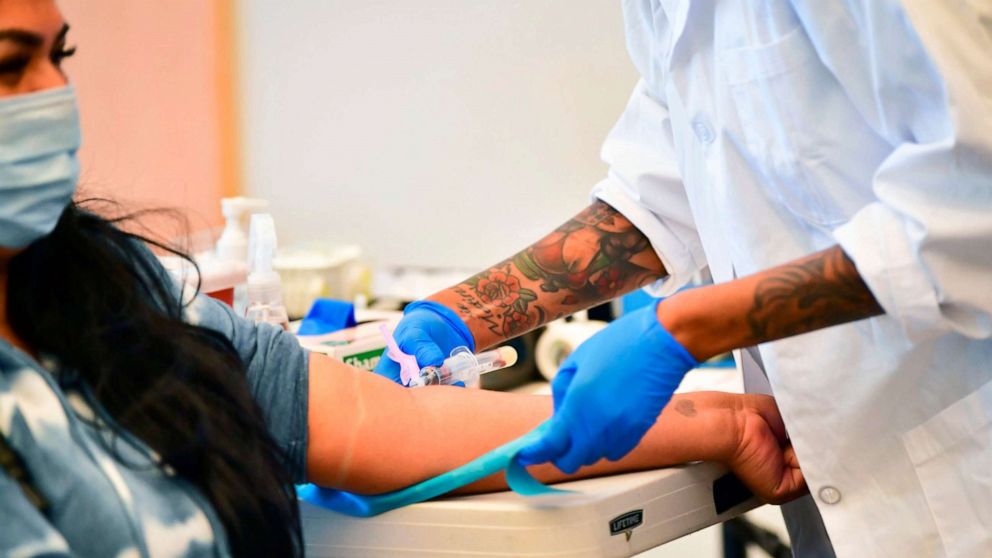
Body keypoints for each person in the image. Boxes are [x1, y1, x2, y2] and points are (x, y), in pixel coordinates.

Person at [0, 1, 807, 557]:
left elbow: (385, 427)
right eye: (10, 66)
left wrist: (718, 421)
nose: (54, 97)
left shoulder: (113, 291)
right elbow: (667, 190)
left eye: (58, 57)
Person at [377, 1, 992, 556]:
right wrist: (461, 313)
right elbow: (665, 189)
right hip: (844, 474)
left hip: (965, 468)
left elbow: (973, 209)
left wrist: (687, 328)